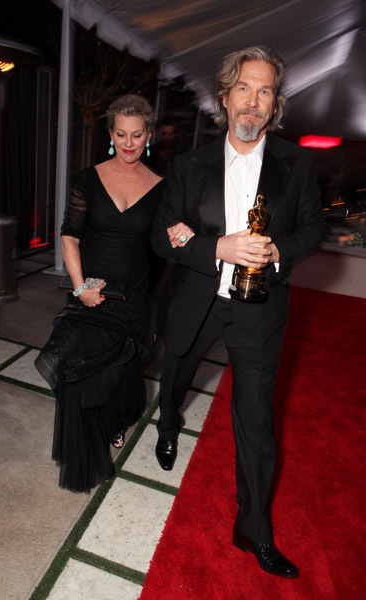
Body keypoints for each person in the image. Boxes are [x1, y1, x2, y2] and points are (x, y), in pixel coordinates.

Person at [150, 46, 324, 578]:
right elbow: (162, 235)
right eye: (244, 89)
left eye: (265, 91)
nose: (253, 101)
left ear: (275, 105)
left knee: (256, 422)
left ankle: (253, 530)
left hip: (258, 310)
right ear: (224, 98)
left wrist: (279, 251)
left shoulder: (298, 163)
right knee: (175, 376)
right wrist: (214, 248)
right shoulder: (190, 164)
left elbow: (313, 229)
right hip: (196, 301)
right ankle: (166, 423)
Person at [35, 94, 164, 493]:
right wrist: (80, 288)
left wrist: (182, 234)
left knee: (121, 370)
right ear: (110, 134)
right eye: (121, 134)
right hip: (88, 287)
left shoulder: (162, 187)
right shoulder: (87, 179)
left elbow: (160, 245)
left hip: (135, 294)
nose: (129, 143)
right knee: (80, 365)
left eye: (137, 134)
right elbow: (70, 237)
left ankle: (114, 420)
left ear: (148, 135)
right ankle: (87, 446)